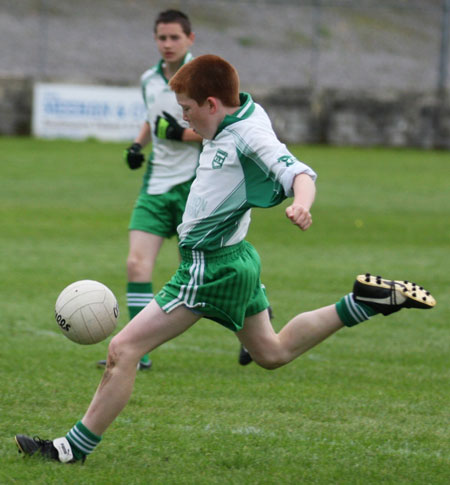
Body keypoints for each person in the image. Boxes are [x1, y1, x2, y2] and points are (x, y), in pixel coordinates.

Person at [15, 55, 436, 464]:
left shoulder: (248, 134)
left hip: (209, 267)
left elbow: (298, 173)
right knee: (271, 352)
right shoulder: (241, 116)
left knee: (123, 349)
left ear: (212, 104)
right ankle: (363, 302)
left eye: (188, 109)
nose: (185, 119)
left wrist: (302, 204)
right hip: (236, 260)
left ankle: (71, 449)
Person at [97, 9, 203, 371]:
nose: (168, 44)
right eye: (162, 37)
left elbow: (222, 127)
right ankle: (137, 350)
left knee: (212, 269)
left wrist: (178, 134)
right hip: (156, 184)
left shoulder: (205, 77)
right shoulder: (148, 79)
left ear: (190, 39)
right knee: (136, 263)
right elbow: (151, 116)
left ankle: (258, 305)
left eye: (175, 37)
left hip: (197, 184)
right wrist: (137, 144)